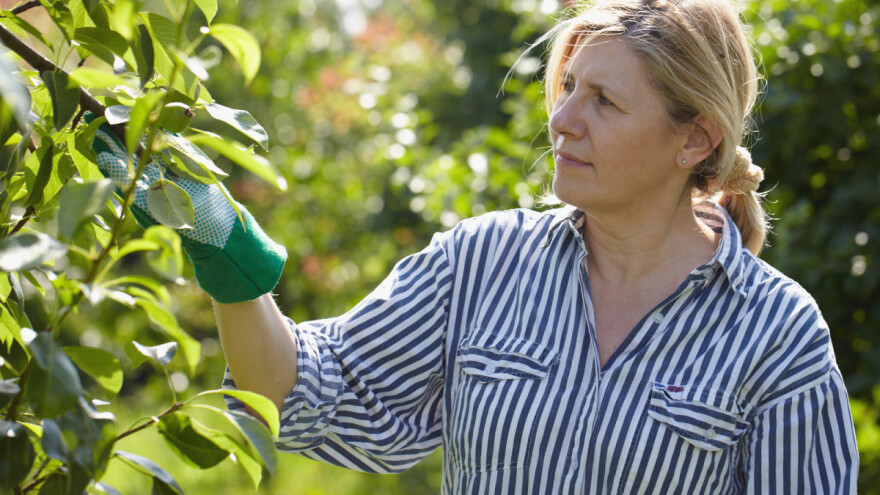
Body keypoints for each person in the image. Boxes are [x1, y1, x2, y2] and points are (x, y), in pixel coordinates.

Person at [90, 0, 858, 493]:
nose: (562, 121)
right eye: (567, 89)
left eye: (605, 101)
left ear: (695, 137)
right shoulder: (484, 262)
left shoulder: (775, 336)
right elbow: (302, 392)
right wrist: (226, 252)